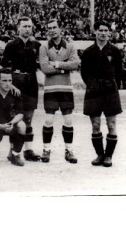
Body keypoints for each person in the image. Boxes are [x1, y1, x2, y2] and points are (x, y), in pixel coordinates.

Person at [81, 20, 123, 167]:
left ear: (109, 33)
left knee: (111, 124)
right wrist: (93, 85)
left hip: (110, 89)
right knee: (96, 124)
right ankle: (99, 155)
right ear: (95, 32)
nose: (104, 33)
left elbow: (119, 72)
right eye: (101, 30)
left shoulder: (115, 51)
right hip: (94, 91)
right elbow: (84, 73)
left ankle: (108, 156)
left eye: (106, 31)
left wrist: (110, 84)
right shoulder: (88, 52)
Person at [39, 19, 80, 164]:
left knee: (68, 120)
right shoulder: (44, 48)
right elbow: (44, 68)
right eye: (49, 28)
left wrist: (56, 64)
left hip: (66, 89)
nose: (52, 30)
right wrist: (64, 68)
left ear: (60, 28)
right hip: (50, 89)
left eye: (55, 27)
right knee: (48, 120)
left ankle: (69, 150)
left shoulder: (69, 46)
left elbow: (75, 64)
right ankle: (46, 150)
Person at [1, 16, 41, 161]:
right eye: (24, 26)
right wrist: (9, 83)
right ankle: (12, 150)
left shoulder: (37, 45)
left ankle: (28, 150)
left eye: (29, 26)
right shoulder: (11, 45)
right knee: (16, 118)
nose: (27, 29)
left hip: (31, 82)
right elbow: (3, 66)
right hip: (16, 81)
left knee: (29, 118)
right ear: (18, 28)